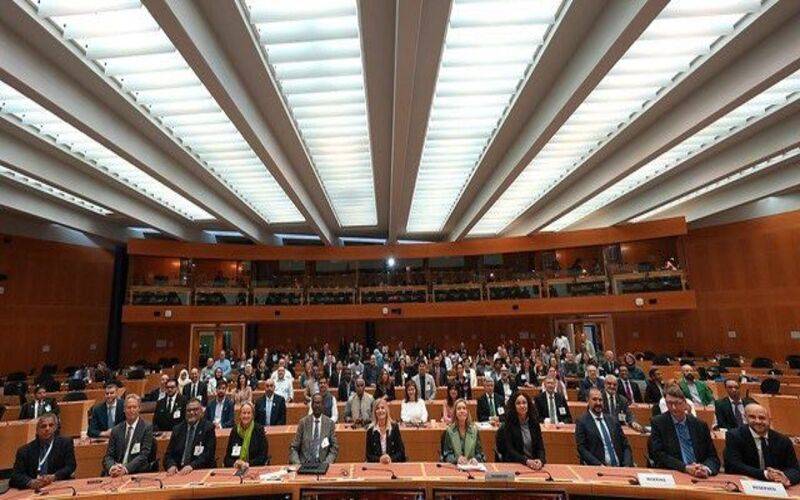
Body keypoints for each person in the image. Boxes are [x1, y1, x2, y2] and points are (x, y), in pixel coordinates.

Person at [648, 385, 720, 478]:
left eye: (677, 403)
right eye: (669, 403)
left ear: (685, 404)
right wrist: (685, 468)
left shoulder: (700, 425)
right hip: (675, 473)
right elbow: (658, 455)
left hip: (700, 474)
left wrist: (706, 469)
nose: (673, 407)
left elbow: (712, 457)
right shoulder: (658, 423)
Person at [724, 403, 800, 486]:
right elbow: (734, 465)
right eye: (752, 417)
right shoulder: (734, 436)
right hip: (746, 484)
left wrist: (785, 477)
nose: (758, 421)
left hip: (777, 486)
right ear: (745, 418)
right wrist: (765, 474)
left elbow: (795, 469)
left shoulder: (783, 440)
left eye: (762, 418)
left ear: (770, 420)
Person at [10, 414, 76, 490]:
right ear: (37, 430)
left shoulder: (65, 443)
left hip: (57, 486)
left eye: (51, 425)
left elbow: (71, 466)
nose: (47, 429)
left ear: (55, 428)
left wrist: (54, 476)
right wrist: (30, 482)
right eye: (43, 426)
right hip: (33, 490)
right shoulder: (24, 451)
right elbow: (16, 476)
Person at [575, 388, 633, 466]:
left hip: (621, 467)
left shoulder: (612, 420)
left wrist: (627, 465)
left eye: (600, 400)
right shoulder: (582, 421)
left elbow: (626, 445)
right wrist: (598, 465)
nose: (598, 403)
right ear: (587, 400)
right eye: (594, 400)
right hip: (599, 468)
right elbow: (582, 449)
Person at [102, 394, 154, 477]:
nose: (131, 410)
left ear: (139, 409)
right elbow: (108, 456)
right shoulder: (116, 430)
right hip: (116, 473)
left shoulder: (146, 428)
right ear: (124, 410)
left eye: (134, 407)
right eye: (128, 407)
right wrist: (112, 467)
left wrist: (126, 469)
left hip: (136, 472)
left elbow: (144, 455)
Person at [164, 398, 217, 474]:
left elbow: (208, 455)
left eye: (195, 410)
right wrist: (171, 465)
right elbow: (168, 455)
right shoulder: (177, 429)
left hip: (199, 470)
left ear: (201, 411)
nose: (191, 413)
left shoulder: (208, 428)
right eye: (188, 410)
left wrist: (191, 466)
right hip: (179, 471)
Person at [497, 392, 546, 468]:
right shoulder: (508, 424)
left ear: (528, 405)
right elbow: (510, 451)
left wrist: (540, 460)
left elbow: (540, 447)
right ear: (514, 406)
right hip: (516, 464)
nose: (522, 406)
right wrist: (526, 461)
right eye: (518, 403)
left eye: (524, 403)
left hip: (533, 465)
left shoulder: (534, 423)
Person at [290, 393, 339, 464]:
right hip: (305, 463)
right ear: (312, 405)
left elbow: (334, 447)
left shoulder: (329, 423)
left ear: (323, 405)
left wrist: (327, 463)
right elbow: (294, 447)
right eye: (315, 403)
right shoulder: (303, 422)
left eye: (319, 403)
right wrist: (297, 464)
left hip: (323, 463)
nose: (317, 406)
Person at [223, 402, 268, 470]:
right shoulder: (234, 431)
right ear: (240, 415)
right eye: (244, 413)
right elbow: (227, 458)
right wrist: (235, 463)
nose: (246, 416)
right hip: (236, 469)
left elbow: (262, 457)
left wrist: (247, 464)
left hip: (254, 468)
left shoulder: (259, 430)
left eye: (249, 413)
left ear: (253, 415)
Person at [441, 399, 485, 465]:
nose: (462, 411)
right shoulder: (449, 431)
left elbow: (480, 453)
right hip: (455, 468)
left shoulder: (474, 430)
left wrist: (476, 459)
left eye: (464, 408)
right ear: (455, 413)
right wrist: (457, 459)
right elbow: (447, 455)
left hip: (471, 467)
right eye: (459, 409)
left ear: (467, 412)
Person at [365, 398, 406, 464]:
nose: (380, 410)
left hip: (393, 464)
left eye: (382, 408)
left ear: (386, 410)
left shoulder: (394, 427)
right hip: (377, 466)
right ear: (374, 412)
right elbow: (368, 455)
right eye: (377, 408)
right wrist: (380, 459)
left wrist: (390, 459)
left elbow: (401, 452)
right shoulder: (370, 430)